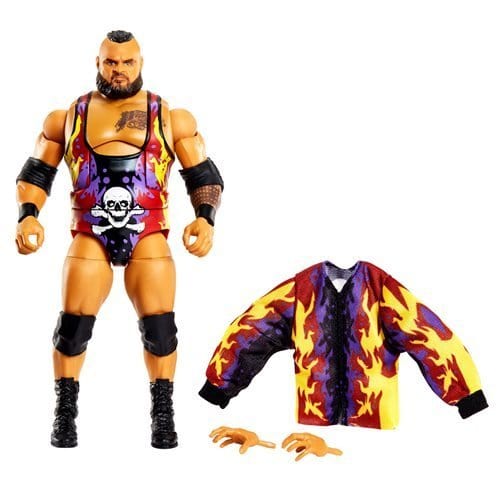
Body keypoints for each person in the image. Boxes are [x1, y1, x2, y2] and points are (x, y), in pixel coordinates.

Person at [15, 30, 223, 449]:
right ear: (98, 63)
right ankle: (64, 414)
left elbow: (203, 173)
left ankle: (163, 415)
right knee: (72, 328)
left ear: (140, 62)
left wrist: (205, 219)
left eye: (128, 62)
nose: (119, 70)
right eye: (111, 62)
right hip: (89, 230)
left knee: (160, 329)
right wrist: (28, 215)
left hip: (148, 231)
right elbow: (37, 171)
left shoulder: (170, 117)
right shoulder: (66, 118)